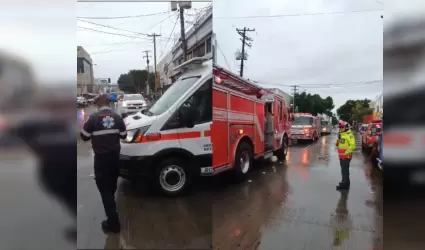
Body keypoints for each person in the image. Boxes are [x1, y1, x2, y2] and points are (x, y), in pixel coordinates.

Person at [80, 94, 127, 233]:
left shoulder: (93, 119)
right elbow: (124, 135)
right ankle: (111, 207)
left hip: (101, 160)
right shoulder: (117, 117)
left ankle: (113, 222)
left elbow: (84, 136)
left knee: (104, 189)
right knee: (111, 186)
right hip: (115, 158)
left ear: (98, 105)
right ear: (108, 103)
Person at [335, 121, 356, 190]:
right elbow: (339, 144)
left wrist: (346, 153)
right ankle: (345, 182)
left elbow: (352, 146)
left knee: (344, 170)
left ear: (346, 127)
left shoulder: (349, 135)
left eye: (342, 127)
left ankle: (344, 185)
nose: (340, 128)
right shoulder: (341, 134)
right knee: (344, 170)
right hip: (341, 156)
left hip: (346, 156)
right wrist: (337, 142)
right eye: (340, 127)